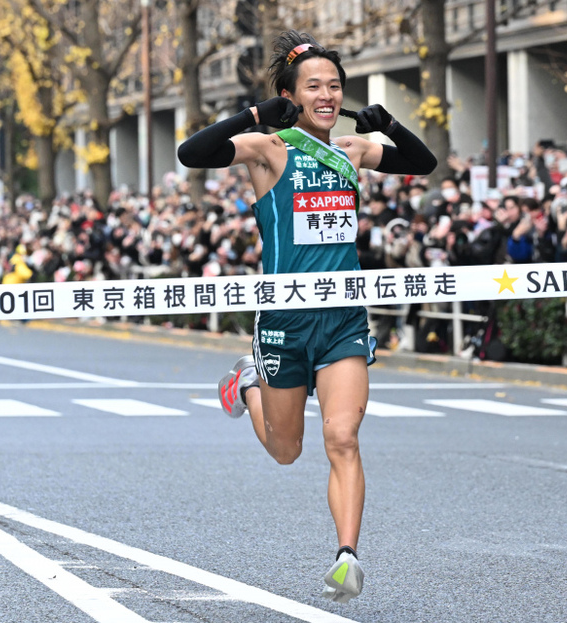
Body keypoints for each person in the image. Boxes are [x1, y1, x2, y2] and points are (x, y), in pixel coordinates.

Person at [177, 30, 436, 603]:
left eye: (334, 86)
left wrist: (386, 126)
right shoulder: (271, 149)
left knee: (342, 436)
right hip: (285, 321)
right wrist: (254, 115)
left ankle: (347, 557)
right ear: (292, 95)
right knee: (286, 449)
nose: (327, 95)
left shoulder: (353, 151)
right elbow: (191, 154)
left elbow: (424, 163)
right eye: (313, 86)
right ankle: (246, 383)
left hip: (342, 317)